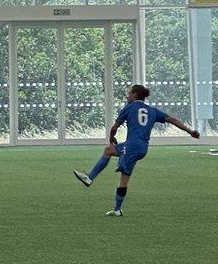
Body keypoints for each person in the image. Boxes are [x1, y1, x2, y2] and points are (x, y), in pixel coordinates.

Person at [73, 84, 199, 216]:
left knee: (108, 151)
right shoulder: (152, 110)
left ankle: (89, 178)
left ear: (134, 95)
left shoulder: (129, 107)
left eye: (129, 93)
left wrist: (111, 137)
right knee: (123, 177)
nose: (127, 96)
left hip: (132, 146)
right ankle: (117, 210)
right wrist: (190, 131)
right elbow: (172, 120)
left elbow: (114, 128)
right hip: (142, 148)